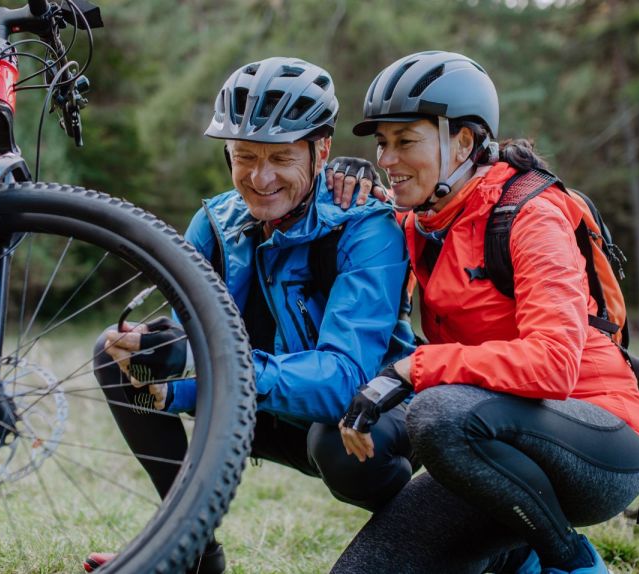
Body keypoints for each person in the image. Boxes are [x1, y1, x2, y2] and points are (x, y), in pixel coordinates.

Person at [86, 57, 417, 574]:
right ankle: (189, 551)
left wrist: (223, 371)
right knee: (119, 358)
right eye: (244, 157)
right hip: (262, 407)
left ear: (321, 149)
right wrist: (159, 379)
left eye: (282, 158)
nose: (260, 178)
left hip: (367, 418)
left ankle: (446, 534)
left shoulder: (366, 227)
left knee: (334, 439)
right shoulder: (214, 226)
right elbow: (196, 353)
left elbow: (343, 379)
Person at [332, 51, 639, 574]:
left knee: (437, 412)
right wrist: (337, 179)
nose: (387, 159)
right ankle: (513, 555)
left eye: (406, 141)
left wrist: (416, 368)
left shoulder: (530, 216)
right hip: (487, 444)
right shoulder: (419, 222)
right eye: (381, 144)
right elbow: (342, 238)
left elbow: (553, 364)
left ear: (464, 141)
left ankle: (572, 562)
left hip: (599, 444)